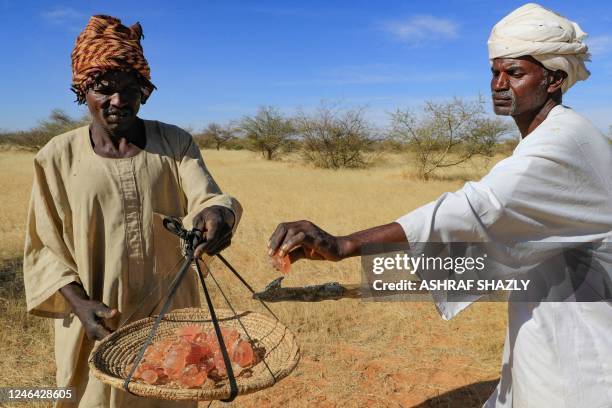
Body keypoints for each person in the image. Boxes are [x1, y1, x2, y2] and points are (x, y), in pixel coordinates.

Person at [268, 4, 611, 407]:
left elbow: (479, 207)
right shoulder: (552, 135)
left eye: (514, 73)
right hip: (549, 315)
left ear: (553, 79)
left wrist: (345, 245)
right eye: (494, 72)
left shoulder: (562, 142)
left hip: (580, 337)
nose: (498, 84)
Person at [22, 15, 242, 408]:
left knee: (171, 393)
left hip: (170, 315)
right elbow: (45, 249)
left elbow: (207, 198)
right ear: (82, 90)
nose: (119, 102)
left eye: (131, 89)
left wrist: (218, 215)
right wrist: (81, 305)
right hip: (96, 320)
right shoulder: (56, 157)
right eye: (104, 89)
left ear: (145, 90)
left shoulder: (174, 142)